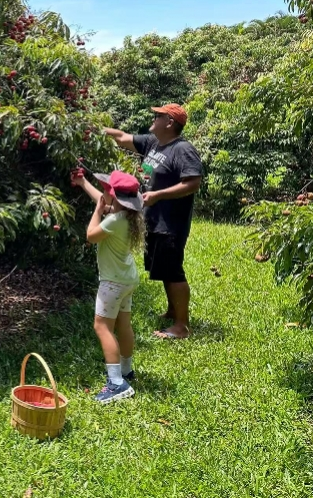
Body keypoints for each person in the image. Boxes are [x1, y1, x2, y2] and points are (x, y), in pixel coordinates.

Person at [104, 103, 203, 340]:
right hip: (154, 220)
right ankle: (172, 310)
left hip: (171, 222)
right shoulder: (152, 143)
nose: (153, 117)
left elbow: (193, 182)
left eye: (157, 115)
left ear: (170, 122)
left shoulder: (182, 149)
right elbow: (121, 137)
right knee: (163, 268)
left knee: (173, 270)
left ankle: (181, 326)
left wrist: (158, 195)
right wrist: (95, 129)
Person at [72, 169, 145, 404]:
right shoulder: (128, 215)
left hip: (112, 283)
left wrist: (96, 211)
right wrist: (83, 183)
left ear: (116, 198)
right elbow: (103, 201)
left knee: (102, 326)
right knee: (123, 324)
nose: (105, 194)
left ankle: (116, 383)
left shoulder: (114, 220)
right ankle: (126, 370)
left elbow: (91, 235)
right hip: (127, 279)